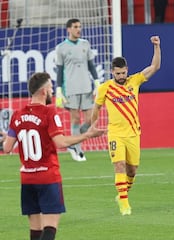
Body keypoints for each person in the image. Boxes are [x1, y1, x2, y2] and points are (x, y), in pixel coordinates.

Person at [2, 72, 105, 240]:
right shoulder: (49, 113)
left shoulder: (17, 115)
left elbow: (6, 148)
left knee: (35, 231)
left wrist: (6, 135)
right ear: (44, 92)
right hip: (47, 177)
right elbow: (61, 142)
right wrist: (87, 135)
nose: (52, 92)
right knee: (49, 229)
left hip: (27, 178)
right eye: (50, 88)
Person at [91, 36, 161, 216]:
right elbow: (97, 107)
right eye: (118, 74)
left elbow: (155, 67)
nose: (121, 76)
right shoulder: (105, 88)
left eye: (123, 73)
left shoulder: (134, 81)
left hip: (133, 133)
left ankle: (122, 194)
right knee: (119, 166)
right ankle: (124, 203)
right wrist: (93, 125)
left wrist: (157, 47)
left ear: (126, 70)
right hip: (115, 133)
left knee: (132, 170)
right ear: (112, 72)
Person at [55, 18, 100, 162]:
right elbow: (60, 70)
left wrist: (97, 82)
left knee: (91, 118)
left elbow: (91, 65)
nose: (78, 29)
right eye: (75, 27)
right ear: (69, 29)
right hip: (71, 88)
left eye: (80, 27)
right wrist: (59, 89)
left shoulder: (85, 44)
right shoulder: (61, 47)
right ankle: (78, 150)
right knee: (75, 118)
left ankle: (72, 142)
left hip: (86, 87)